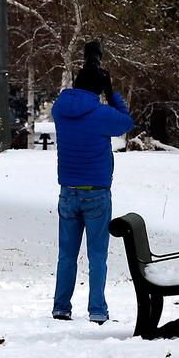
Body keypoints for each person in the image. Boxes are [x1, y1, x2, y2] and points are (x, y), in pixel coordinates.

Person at [51, 41, 134, 324]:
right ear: (98, 90)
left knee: (66, 255)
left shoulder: (60, 110)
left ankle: (61, 306)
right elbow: (126, 122)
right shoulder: (101, 115)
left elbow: (72, 97)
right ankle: (97, 310)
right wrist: (111, 93)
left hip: (68, 192)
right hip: (97, 193)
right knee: (97, 257)